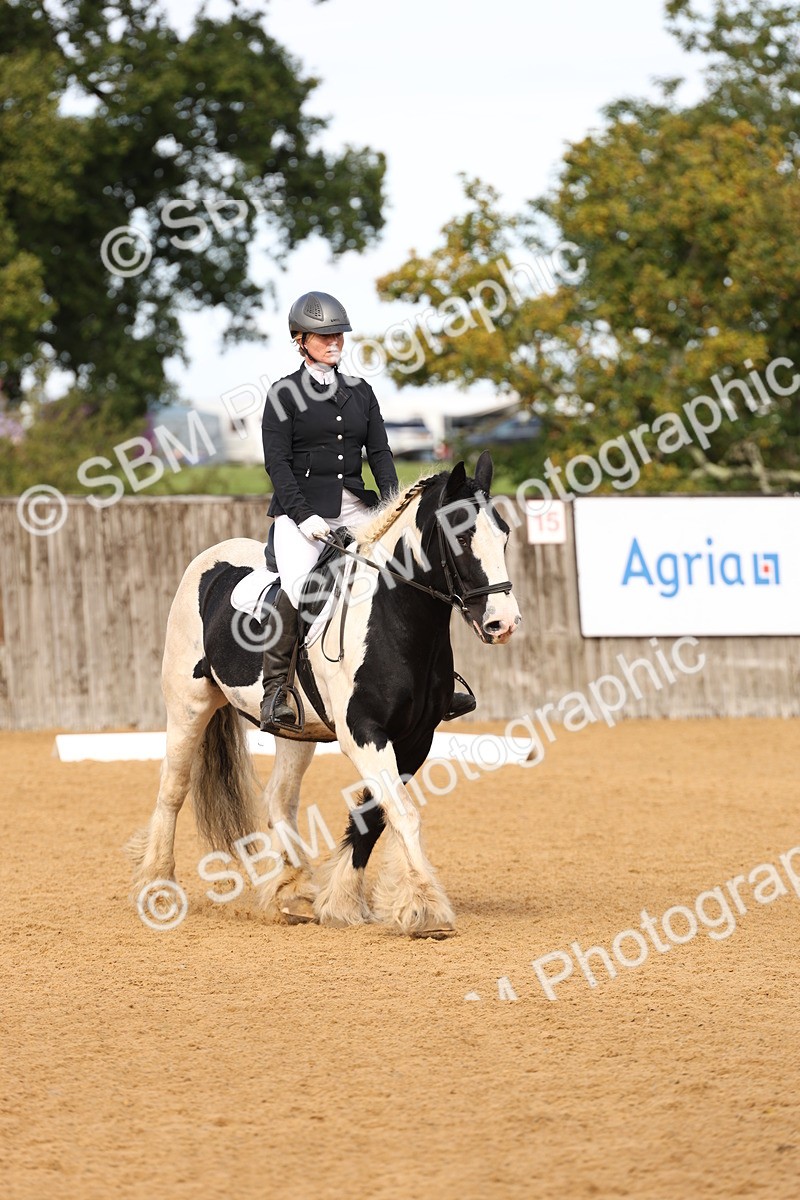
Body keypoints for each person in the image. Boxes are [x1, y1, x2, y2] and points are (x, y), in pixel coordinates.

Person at [259, 290, 477, 732]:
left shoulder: (360, 392)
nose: (334, 342)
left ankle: (437, 679)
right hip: (302, 515)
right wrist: (302, 515)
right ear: (300, 340)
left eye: (338, 334)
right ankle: (276, 689)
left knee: (412, 575)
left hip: (359, 508)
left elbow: (379, 454)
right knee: (298, 588)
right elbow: (276, 464)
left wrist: (396, 509)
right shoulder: (283, 394)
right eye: (324, 336)